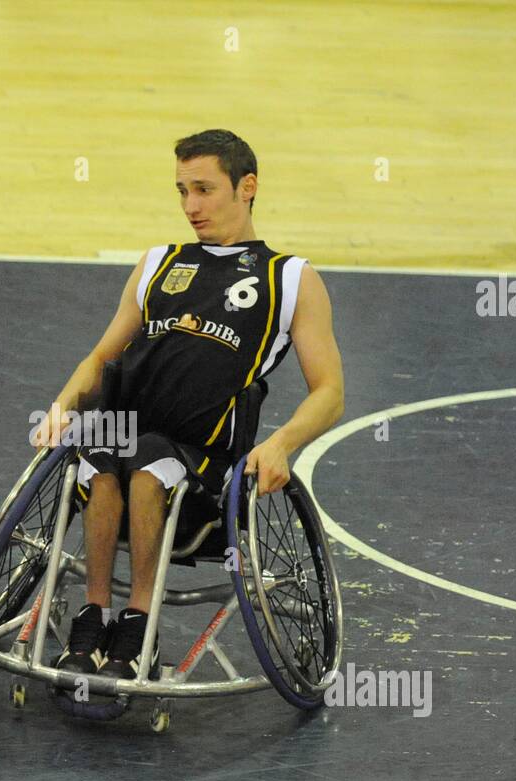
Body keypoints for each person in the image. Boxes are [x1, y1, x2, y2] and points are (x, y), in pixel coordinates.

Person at [32, 129, 344, 681]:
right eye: (181, 191)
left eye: (203, 189)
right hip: (129, 436)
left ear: (246, 187)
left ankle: (139, 627)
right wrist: (61, 406)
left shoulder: (289, 277)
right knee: (103, 450)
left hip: (205, 462)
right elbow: (101, 356)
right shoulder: (160, 262)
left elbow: (329, 392)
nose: (190, 206)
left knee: (150, 461)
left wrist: (281, 443)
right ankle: (94, 615)